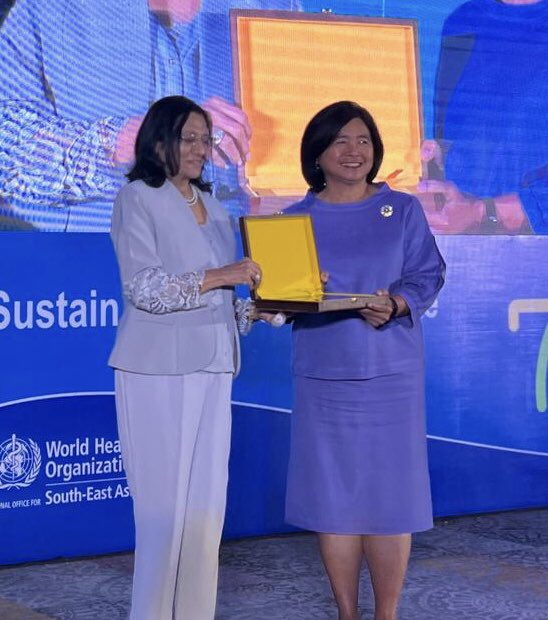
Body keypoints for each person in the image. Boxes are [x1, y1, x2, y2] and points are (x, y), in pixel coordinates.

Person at [283, 101, 445, 620]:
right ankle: (347, 613)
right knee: (334, 501)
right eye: (340, 141)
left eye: (363, 141)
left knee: (391, 499)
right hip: (324, 375)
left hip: (391, 374)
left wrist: (397, 303)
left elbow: (427, 274)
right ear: (317, 153)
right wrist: (289, 294)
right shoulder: (293, 220)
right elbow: (279, 303)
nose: (353, 151)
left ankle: (386, 614)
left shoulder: (403, 210)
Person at [108, 95, 263, 620]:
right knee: (163, 515)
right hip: (156, 367)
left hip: (214, 365)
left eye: (205, 139)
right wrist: (224, 275)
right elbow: (146, 289)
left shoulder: (215, 207)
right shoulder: (137, 198)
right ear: (158, 142)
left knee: (205, 514)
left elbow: (219, 300)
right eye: (188, 138)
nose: (201, 149)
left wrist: (264, 307)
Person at [0, 0, 299, 231]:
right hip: (91, 274)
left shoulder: (277, 8)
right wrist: (138, 138)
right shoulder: (46, 9)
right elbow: (8, 156)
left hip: (234, 267)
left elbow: (295, 174)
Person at [418, 0, 548, 234]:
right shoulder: (462, 21)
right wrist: (437, 162)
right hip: (465, 246)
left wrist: (482, 212)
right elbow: (458, 135)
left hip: (536, 249)